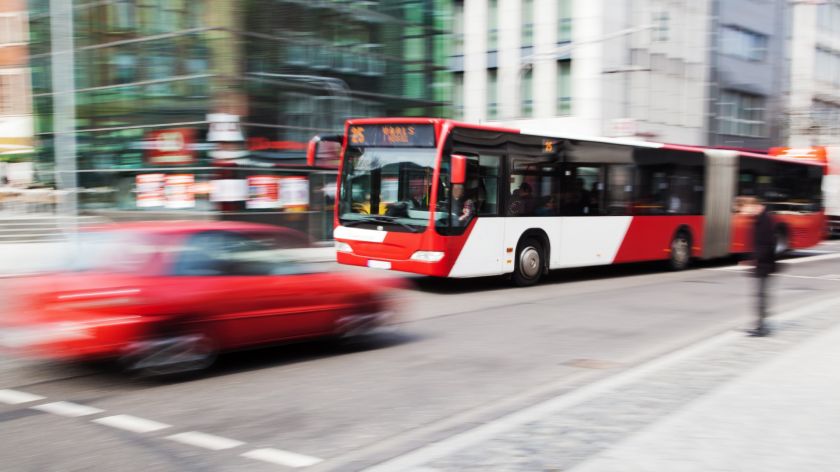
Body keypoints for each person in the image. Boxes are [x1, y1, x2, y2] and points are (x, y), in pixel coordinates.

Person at [748, 198, 777, 337]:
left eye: (752, 207)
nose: (750, 210)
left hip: (764, 265)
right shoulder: (761, 219)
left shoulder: (765, 220)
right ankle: (760, 325)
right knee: (760, 296)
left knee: (761, 296)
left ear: (758, 206)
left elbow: (768, 244)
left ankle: (762, 327)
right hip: (763, 264)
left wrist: (757, 258)